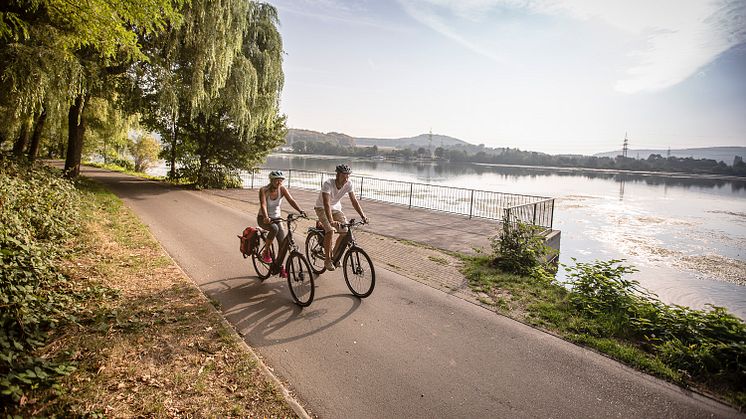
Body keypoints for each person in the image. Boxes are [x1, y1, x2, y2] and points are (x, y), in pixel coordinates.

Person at [314, 164, 368, 271]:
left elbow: (354, 201)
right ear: (338, 175)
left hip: (336, 209)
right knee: (330, 230)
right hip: (321, 208)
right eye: (344, 176)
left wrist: (363, 216)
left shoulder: (348, 184)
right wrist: (331, 221)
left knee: (345, 231)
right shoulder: (328, 184)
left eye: (348, 176)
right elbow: (326, 203)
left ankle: (334, 254)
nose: (346, 178)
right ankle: (327, 260)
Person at [258, 171, 306, 275]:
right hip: (263, 218)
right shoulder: (264, 190)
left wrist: (300, 211)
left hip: (277, 218)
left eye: (281, 180)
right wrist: (266, 217)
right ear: (271, 180)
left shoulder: (282, 189)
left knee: (283, 244)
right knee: (274, 229)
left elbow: (291, 200)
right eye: (277, 180)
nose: (279, 182)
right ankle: (266, 252)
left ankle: (279, 266)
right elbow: (263, 204)